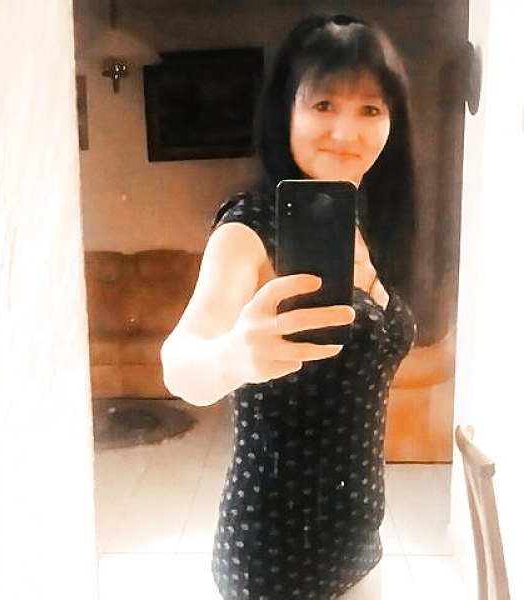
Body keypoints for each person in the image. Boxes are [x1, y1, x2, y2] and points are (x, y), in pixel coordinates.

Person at [161, 13, 417, 600]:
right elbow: (180, 363)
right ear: (286, 112)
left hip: (360, 545)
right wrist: (233, 356)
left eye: (370, 109)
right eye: (323, 105)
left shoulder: (366, 221)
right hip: (273, 555)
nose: (345, 132)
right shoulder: (250, 229)